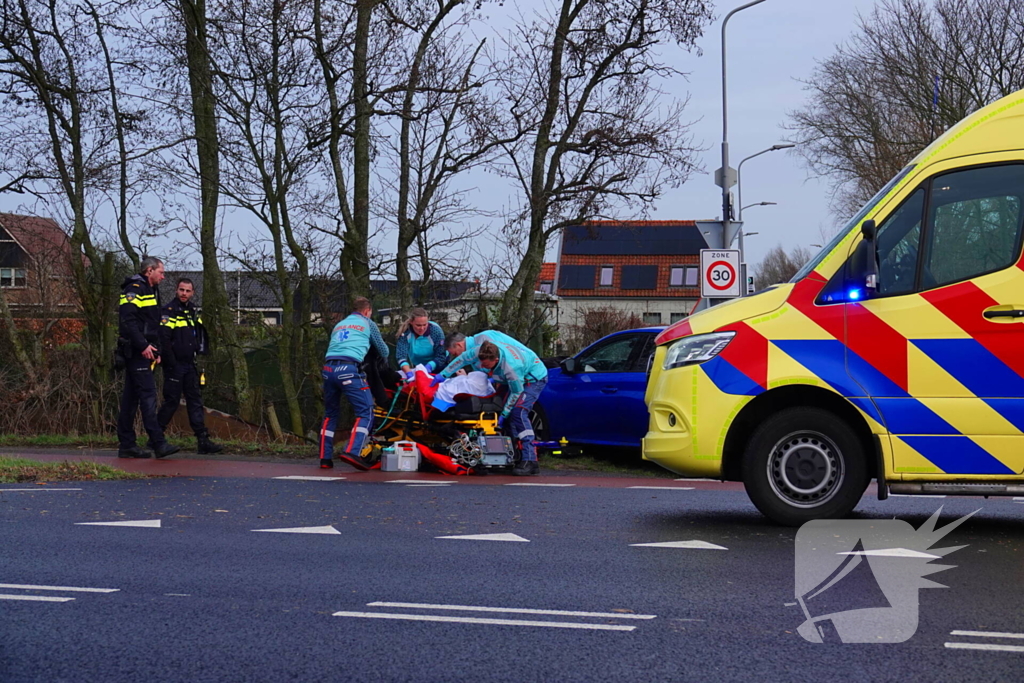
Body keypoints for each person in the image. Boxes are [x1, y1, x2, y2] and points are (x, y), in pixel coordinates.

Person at [436, 333, 548, 476]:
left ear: (495, 360)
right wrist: (443, 375)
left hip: (533, 378)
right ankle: (511, 456)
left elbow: (516, 393)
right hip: (512, 377)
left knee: (518, 412)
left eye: (486, 365)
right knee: (498, 409)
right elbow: (462, 359)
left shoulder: (511, 368)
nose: (483, 367)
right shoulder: (480, 350)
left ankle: (530, 460)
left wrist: (505, 413)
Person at [116, 257, 180, 459]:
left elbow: (152, 324)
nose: (164, 276)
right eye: (161, 272)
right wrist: (143, 346)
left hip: (144, 351)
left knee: (131, 399)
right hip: (136, 352)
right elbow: (128, 321)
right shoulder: (134, 289)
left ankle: (127, 444)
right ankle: (158, 443)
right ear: (149, 270)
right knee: (148, 395)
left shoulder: (151, 290)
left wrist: (156, 350)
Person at [320, 297, 390, 471]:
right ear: (367, 311)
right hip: (349, 369)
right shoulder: (367, 323)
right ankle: (352, 451)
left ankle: (324, 458)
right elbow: (384, 350)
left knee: (330, 414)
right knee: (366, 412)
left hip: (328, 369)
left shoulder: (339, 324)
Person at [156, 278, 223, 454]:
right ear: (176, 291)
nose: (184, 293)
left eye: (187, 291)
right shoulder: (169, 311)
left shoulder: (192, 311)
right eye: (181, 290)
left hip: (189, 364)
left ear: (192, 292)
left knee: (195, 402)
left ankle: (203, 440)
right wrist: (170, 363)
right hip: (175, 365)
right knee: (171, 402)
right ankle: (155, 438)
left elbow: (196, 335)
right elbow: (164, 339)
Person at [395, 308, 446, 379]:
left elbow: (441, 355)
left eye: (425, 324)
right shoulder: (405, 333)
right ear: (411, 322)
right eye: (418, 325)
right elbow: (401, 356)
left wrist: (429, 367)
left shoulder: (436, 331)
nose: (422, 328)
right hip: (419, 365)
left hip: (438, 365)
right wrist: (408, 372)